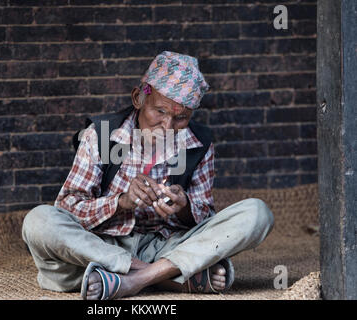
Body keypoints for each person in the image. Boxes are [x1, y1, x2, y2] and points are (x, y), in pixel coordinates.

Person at [22, 51, 274, 300]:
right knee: (38, 221)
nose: (167, 126)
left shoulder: (198, 144)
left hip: (167, 244)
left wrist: (184, 206)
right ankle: (169, 276)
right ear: (138, 99)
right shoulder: (102, 135)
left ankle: (129, 280)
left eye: (181, 117)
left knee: (257, 213)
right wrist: (122, 202)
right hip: (104, 245)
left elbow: (206, 218)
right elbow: (68, 207)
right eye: (160, 112)